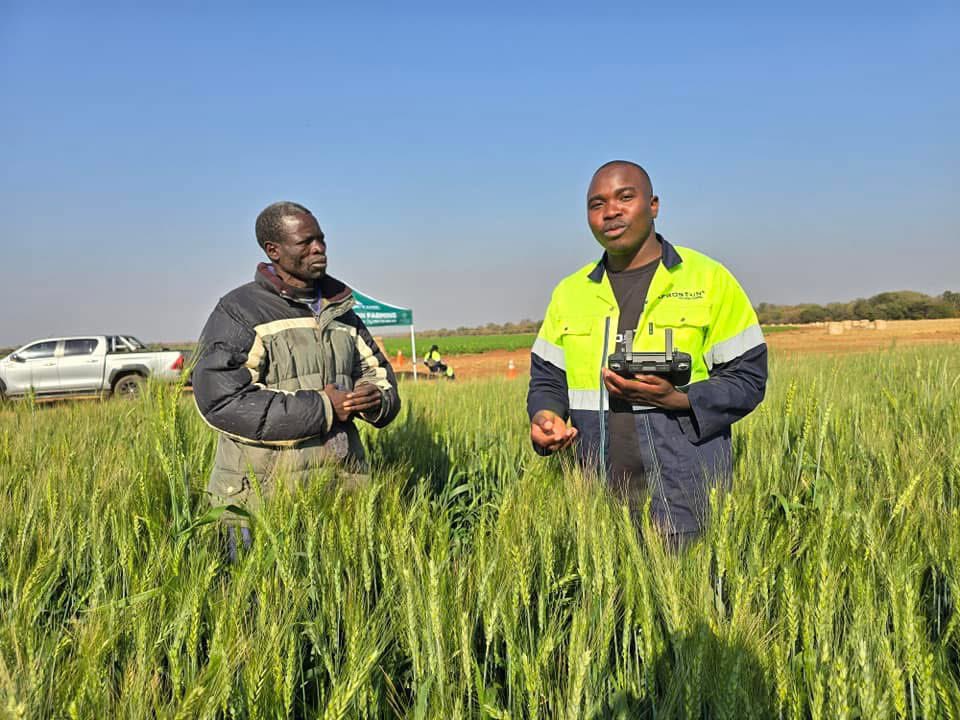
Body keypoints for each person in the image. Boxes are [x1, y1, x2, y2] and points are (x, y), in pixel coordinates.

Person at [527, 161, 767, 545]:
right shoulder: (569, 293)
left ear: (653, 205)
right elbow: (548, 378)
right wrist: (545, 416)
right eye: (596, 204)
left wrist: (679, 399)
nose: (610, 212)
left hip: (688, 497)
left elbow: (748, 378)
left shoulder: (708, 279)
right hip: (597, 506)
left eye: (625, 197)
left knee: (692, 602)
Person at [193, 201, 401, 556]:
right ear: (273, 250)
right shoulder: (240, 310)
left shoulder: (341, 309)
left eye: (321, 239)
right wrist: (323, 407)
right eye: (305, 242)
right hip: (260, 500)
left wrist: (377, 399)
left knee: (336, 604)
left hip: (339, 491)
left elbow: (379, 374)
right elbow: (223, 401)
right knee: (257, 605)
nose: (318, 248)